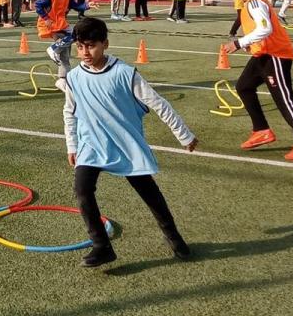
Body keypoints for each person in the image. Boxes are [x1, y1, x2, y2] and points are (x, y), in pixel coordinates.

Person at [63, 17, 198, 267]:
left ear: (105, 44)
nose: (85, 53)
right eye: (80, 47)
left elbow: (158, 103)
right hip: (91, 144)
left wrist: (183, 134)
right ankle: (101, 246)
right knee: (82, 190)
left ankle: (173, 235)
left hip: (125, 144)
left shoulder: (124, 73)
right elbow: (70, 112)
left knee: (149, 193)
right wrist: (72, 145)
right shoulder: (74, 77)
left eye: (91, 46)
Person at [223, 0, 293, 161]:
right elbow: (260, 31)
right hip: (263, 54)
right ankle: (261, 130)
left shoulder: (255, 4)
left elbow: (264, 29)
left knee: (284, 99)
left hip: (275, 56)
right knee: (244, 87)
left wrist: (239, 43)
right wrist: (251, 43)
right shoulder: (251, 2)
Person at [37, 0, 89, 87]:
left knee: (66, 52)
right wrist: (46, 18)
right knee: (74, 36)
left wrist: (86, 6)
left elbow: (75, 6)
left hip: (60, 24)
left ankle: (63, 80)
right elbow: (38, 5)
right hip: (50, 25)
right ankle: (53, 49)